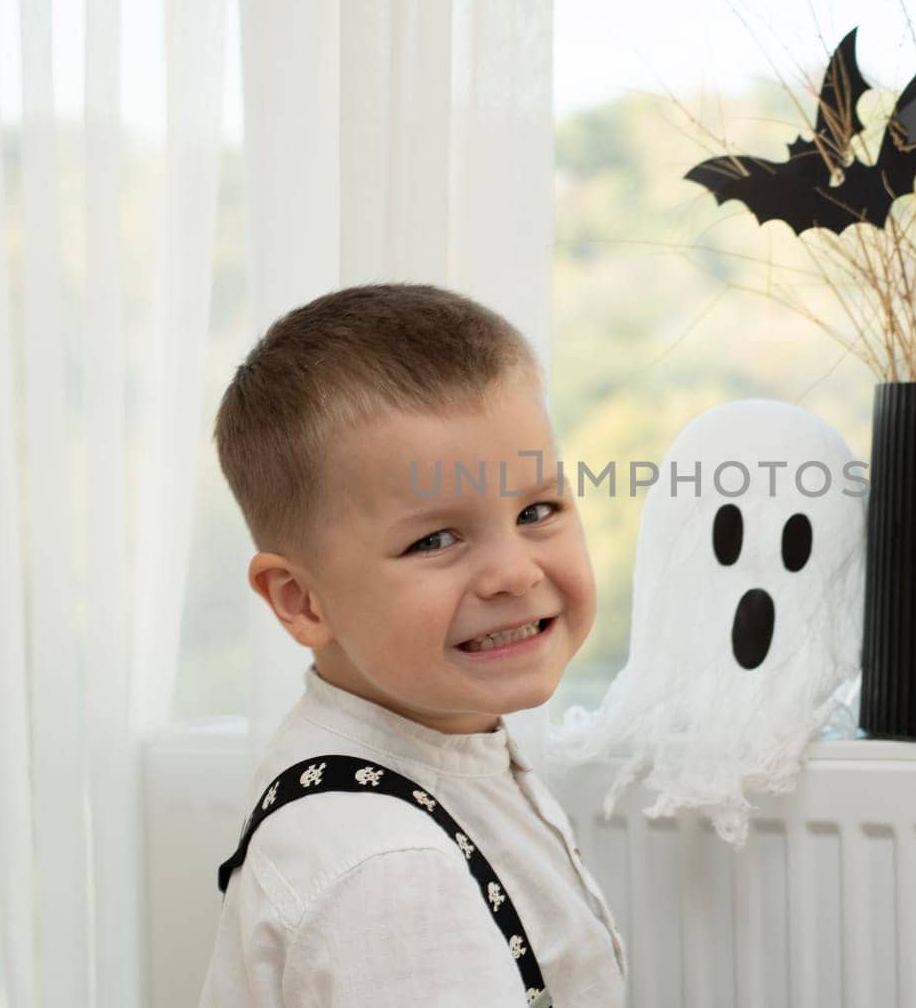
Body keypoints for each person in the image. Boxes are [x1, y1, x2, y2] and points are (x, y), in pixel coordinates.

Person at [197, 282, 627, 1006]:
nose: (515, 571)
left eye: (539, 509)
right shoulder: (393, 872)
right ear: (301, 600)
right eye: (435, 538)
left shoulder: (435, 752)